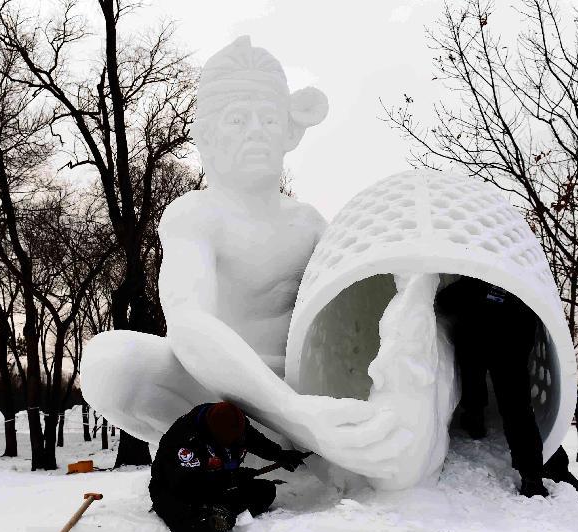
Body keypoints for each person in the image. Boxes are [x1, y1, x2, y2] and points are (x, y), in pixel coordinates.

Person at [80, 36, 407, 480]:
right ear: (206, 136)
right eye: (237, 119)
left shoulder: (311, 225)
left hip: (306, 390)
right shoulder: (195, 215)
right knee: (108, 362)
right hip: (221, 393)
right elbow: (190, 324)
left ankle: (307, 457)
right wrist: (290, 411)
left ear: (290, 133)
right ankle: (207, 455)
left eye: (269, 118)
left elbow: (361, 310)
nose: (255, 130)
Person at [436, 276, 578, 500]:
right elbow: (534, 320)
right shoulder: (520, 285)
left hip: (481, 341)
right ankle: (531, 478)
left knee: (477, 383)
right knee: (516, 408)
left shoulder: (474, 282)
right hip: (509, 347)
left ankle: (475, 418)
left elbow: (444, 302)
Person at [150, 400, 308, 532]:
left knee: (265, 490)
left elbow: (257, 442)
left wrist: (281, 455)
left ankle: (221, 514)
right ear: (212, 433)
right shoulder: (185, 440)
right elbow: (185, 484)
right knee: (185, 515)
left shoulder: (236, 423)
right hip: (175, 488)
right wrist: (228, 477)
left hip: (214, 484)